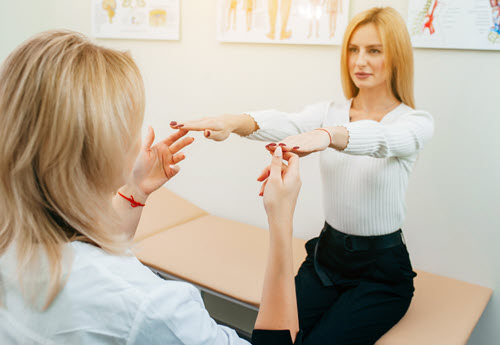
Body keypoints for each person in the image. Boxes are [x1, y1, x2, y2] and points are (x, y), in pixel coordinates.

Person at [0, 30, 303, 345]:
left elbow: (85, 254)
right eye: (132, 124)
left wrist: (136, 191)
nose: (140, 133)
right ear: (102, 147)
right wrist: (281, 220)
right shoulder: (151, 308)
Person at [170, 7, 434, 344]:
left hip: (380, 274)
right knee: (270, 336)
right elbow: (288, 122)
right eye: (353, 49)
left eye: (374, 50)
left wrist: (327, 136)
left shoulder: (414, 122)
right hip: (326, 259)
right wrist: (232, 122)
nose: (360, 61)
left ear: (396, 56)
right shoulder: (330, 111)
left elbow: (382, 140)